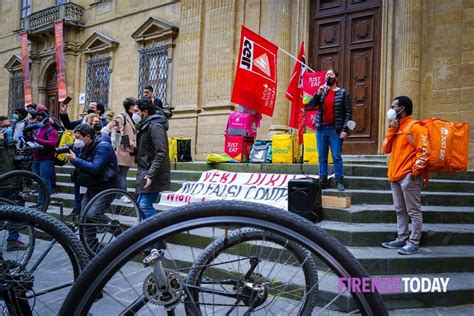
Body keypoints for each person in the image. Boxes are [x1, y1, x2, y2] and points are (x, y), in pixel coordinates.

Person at [381, 96, 430, 255]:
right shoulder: (397, 127)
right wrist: (391, 130)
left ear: (401, 108)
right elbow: (385, 149)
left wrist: (414, 172)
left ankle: (414, 242)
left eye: (393, 106)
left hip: (408, 176)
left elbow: (424, 151)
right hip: (394, 176)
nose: (391, 108)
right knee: (399, 210)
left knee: (413, 211)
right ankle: (402, 238)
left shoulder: (415, 127)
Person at [65, 124, 120, 249]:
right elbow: (84, 166)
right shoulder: (87, 146)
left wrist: (75, 160)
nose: (76, 140)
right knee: (84, 217)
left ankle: (120, 234)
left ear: (88, 136)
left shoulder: (103, 146)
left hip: (107, 186)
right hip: (93, 185)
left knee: (93, 214)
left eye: (78, 137)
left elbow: (95, 168)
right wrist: (74, 158)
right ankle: (92, 247)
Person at [307, 69, 352, 191]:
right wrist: (318, 93)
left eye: (331, 74)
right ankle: (322, 180)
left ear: (336, 78)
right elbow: (311, 105)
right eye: (327, 75)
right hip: (321, 129)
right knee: (322, 156)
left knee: (336, 155)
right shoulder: (323, 92)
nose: (328, 76)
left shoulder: (343, 93)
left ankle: (339, 180)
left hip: (335, 130)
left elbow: (348, 113)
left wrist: (345, 130)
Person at [134, 98, 170, 219]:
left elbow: (161, 152)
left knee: (144, 205)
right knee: (140, 204)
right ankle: (146, 234)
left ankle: (159, 232)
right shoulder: (145, 125)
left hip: (154, 172)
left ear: (144, 112)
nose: (134, 114)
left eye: (136, 111)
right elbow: (146, 150)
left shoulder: (155, 126)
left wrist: (151, 174)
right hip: (146, 170)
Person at [0, 115, 28, 251]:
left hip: (12, 181)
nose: (7, 129)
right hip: (3, 182)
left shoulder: (8, 141)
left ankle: (13, 240)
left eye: (8, 126)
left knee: (14, 211)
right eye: (4, 126)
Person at [102, 97, 137, 191]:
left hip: (129, 151)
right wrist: (130, 145)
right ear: (131, 107)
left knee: (123, 173)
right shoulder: (120, 117)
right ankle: (122, 194)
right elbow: (118, 134)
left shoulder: (133, 117)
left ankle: (118, 191)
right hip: (122, 151)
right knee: (121, 173)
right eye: (135, 105)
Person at [31, 105, 58, 208]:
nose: (38, 120)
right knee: (39, 181)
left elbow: (52, 143)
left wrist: (36, 140)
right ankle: (39, 202)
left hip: (46, 160)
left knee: (45, 181)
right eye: (37, 118)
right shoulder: (37, 130)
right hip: (36, 158)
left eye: (40, 118)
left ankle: (45, 203)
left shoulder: (51, 130)